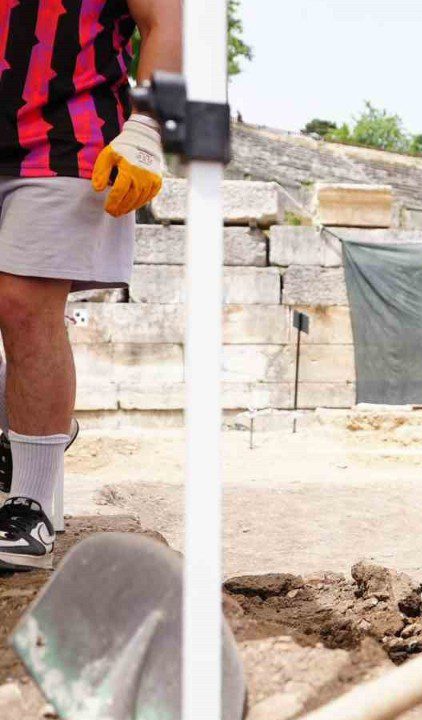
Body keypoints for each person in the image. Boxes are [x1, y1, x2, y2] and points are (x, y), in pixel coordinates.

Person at [0, 0, 179, 571]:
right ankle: (24, 432)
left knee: (23, 303)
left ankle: (29, 502)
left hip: (66, 143)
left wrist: (149, 126)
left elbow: (167, 21)